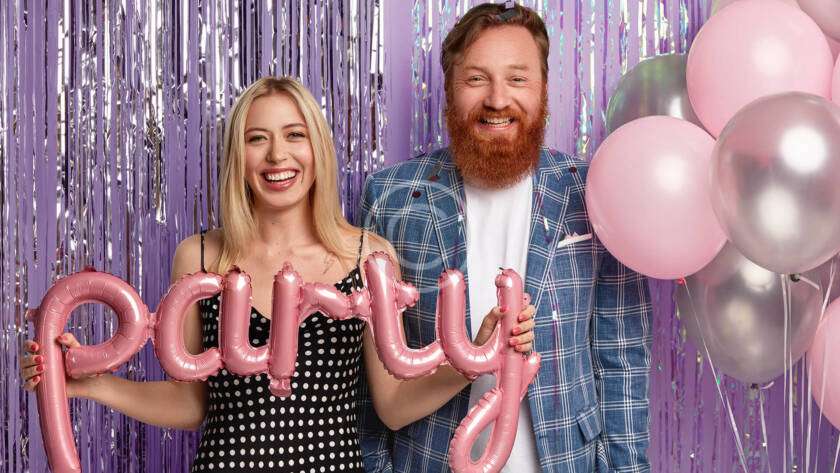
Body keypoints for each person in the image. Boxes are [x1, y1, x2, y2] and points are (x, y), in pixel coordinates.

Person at [19, 76, 536, 473]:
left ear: (316, 149)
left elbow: (394, 404)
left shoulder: (368, 256)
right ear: (237, 157)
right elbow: (191, 402)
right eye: (257, 139)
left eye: (294, 135)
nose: (277, 156)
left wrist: (474, 357)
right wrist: (93, 385)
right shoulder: (201, 257)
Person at [358, 3, 652, 473]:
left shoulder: (593, 189)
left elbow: (622, 358)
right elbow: (367, 377)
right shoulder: (389, 196)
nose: (497, 99)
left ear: (543, 89)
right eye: (476, 79)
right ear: (450, 90)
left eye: (517, 78)